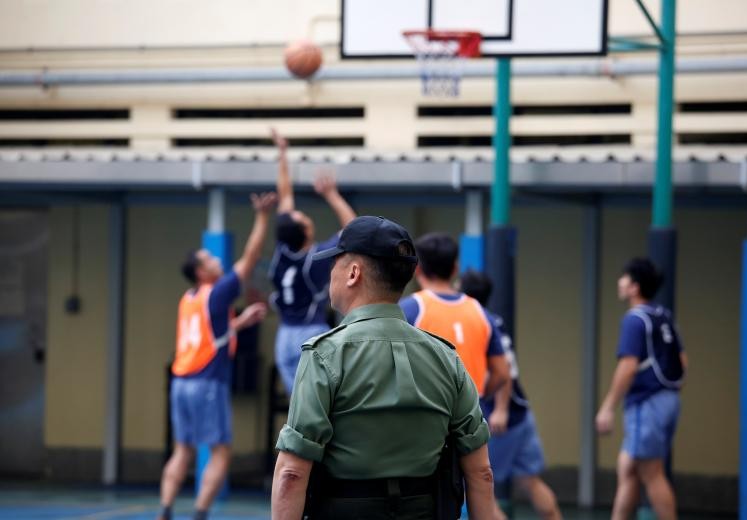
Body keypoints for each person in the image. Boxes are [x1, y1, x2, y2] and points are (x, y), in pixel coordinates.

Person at [271, 216, 500, 520]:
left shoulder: (324, 354)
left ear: (354, 273)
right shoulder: (447, 357)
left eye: (335, 263)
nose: (330, 273)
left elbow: (291, 473)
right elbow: (481, 472)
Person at [157, 192, 277, 520]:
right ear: (200, 271)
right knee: (221, 453)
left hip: (181, 381)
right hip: (208, 382)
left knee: (183, 450)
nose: (215, 260)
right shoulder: (218, 291)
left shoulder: (189, 298)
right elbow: (250, 258)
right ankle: (200, 514)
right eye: (208, 259)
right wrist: (262, 218)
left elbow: (208, 336)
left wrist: (238, 323)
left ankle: (165, 511)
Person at [459, 270, 561, 520]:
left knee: (478, 489)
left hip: (499, 419)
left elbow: (505, 370)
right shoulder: (493, 320)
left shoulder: (480, 321)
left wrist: (501, 409)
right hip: (521, 413)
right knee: (530, 482)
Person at [596, 258, 688, 520]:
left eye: (624, 278)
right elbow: (683, 362)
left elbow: (628, 366)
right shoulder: (663, 315)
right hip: (669, 400)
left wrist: (608, 407)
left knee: (651, 472)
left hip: (647, 403)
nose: (619, 282)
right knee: (627, 468)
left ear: (634, 287)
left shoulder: (634, 320)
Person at [269, 128, 357, 394]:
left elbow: (285, 197)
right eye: (303, 218)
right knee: (320, 402)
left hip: (283, 336)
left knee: (299, 406)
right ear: (306, 231)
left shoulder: (282, 250)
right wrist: (331, 194)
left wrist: (283, 154)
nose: (304, 215)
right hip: (308, 334)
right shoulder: (314, 260)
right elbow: (353, 227)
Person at [399, 232, 510, 399]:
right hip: (470, 415)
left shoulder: (408, 308)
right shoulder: (480, 311)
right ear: (455, 269)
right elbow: (501, 372)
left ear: (417, 269)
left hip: (428, 410)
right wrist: (477, 398)